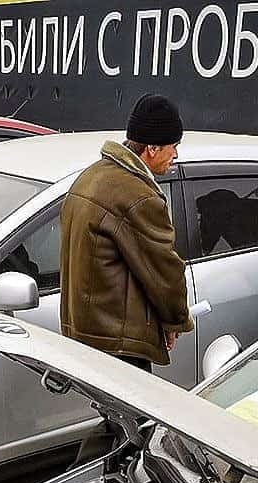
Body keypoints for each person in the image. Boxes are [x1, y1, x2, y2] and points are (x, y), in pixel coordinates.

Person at [59, 93, 194, 373]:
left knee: (111, 416)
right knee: (132, 417)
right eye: (174, 146)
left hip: (86, 335)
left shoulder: (90, 176)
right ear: (153, 148)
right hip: (119, 345)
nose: (176, 154)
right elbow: (163, 271)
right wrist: (175, 321)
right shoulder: (139, 196)